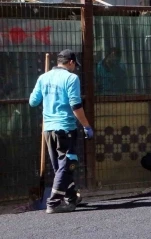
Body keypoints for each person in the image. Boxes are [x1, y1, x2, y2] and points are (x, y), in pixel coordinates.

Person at [29, 49, 94, 213]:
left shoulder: (43, 78)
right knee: (67, 165)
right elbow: (76, 106)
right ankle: (53, 203)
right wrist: (86, 126)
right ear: (71, 62)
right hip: (66, 129)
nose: (75, 68)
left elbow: (33, 101)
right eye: (74, 64)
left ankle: (71, 198)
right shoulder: (71, 78)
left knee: (61, 167)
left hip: (49, 129)